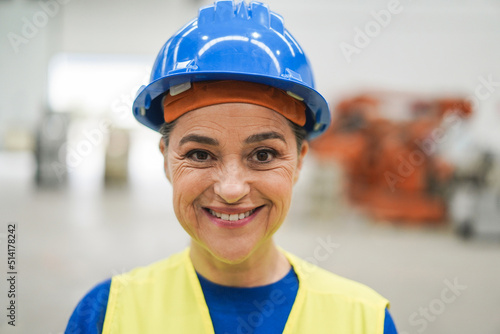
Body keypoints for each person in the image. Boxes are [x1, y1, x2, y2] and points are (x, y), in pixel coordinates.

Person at [66, 1, 398, 333]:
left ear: (299, 162)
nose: (231, 189)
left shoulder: (363, 320)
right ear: (166, 160)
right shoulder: (106, 315)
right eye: (199, 155)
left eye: (264, 155)